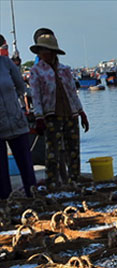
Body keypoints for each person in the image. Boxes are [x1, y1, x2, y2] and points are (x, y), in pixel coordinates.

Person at [29, 31, 89, 184]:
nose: (45, 54)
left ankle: (75, 177)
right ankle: (52, 181)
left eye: (48, 51)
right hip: (51, 116)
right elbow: (36, 96)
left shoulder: (65, 70)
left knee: (73, 149)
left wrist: (81, 112)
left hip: (70, 113)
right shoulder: (36, 71)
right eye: (43, 51)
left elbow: (72, 93)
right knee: (53, 151)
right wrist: (39, 117)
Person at [0, 34, 36, 198]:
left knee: (27, 168)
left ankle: (34, 199)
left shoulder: (6, 64)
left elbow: (21, 88)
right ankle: (6, 206)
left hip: (16, 121)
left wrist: (21, 106)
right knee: (1, 174)